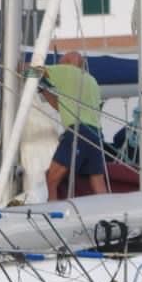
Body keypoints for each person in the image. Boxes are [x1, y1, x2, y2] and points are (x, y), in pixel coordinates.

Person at [39, 52, 110, 200]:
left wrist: (17, 69)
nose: (58, 65)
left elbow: (36, 71)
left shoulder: (67, 71)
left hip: (78, 132)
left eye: (61, 61)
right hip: (96, 136)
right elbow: (62, 106)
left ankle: (53, 216)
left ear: (69, 62)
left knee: (51, 180)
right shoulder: (93, 81)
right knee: (98, 182)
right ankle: (107, 213)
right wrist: (43, 90)